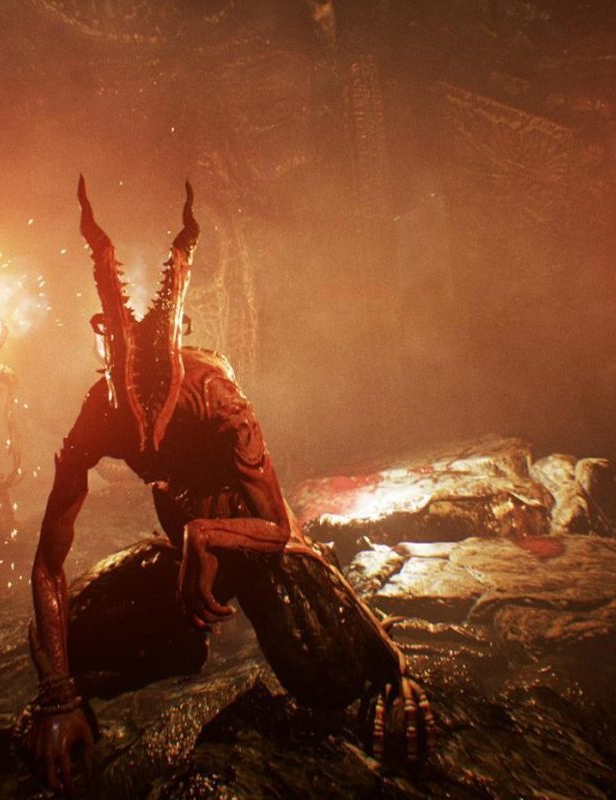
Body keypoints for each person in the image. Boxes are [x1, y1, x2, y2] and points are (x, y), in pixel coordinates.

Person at [24, 178, 431, 794]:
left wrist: (206, 535)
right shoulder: (100, 413)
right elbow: (48, 565)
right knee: (56, 636)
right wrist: (57, 695)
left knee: (324, 677)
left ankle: (387, 667)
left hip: (257, 546)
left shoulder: (215, 394)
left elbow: (279, 528)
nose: (144, 426)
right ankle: (117, 685)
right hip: (185, 553)